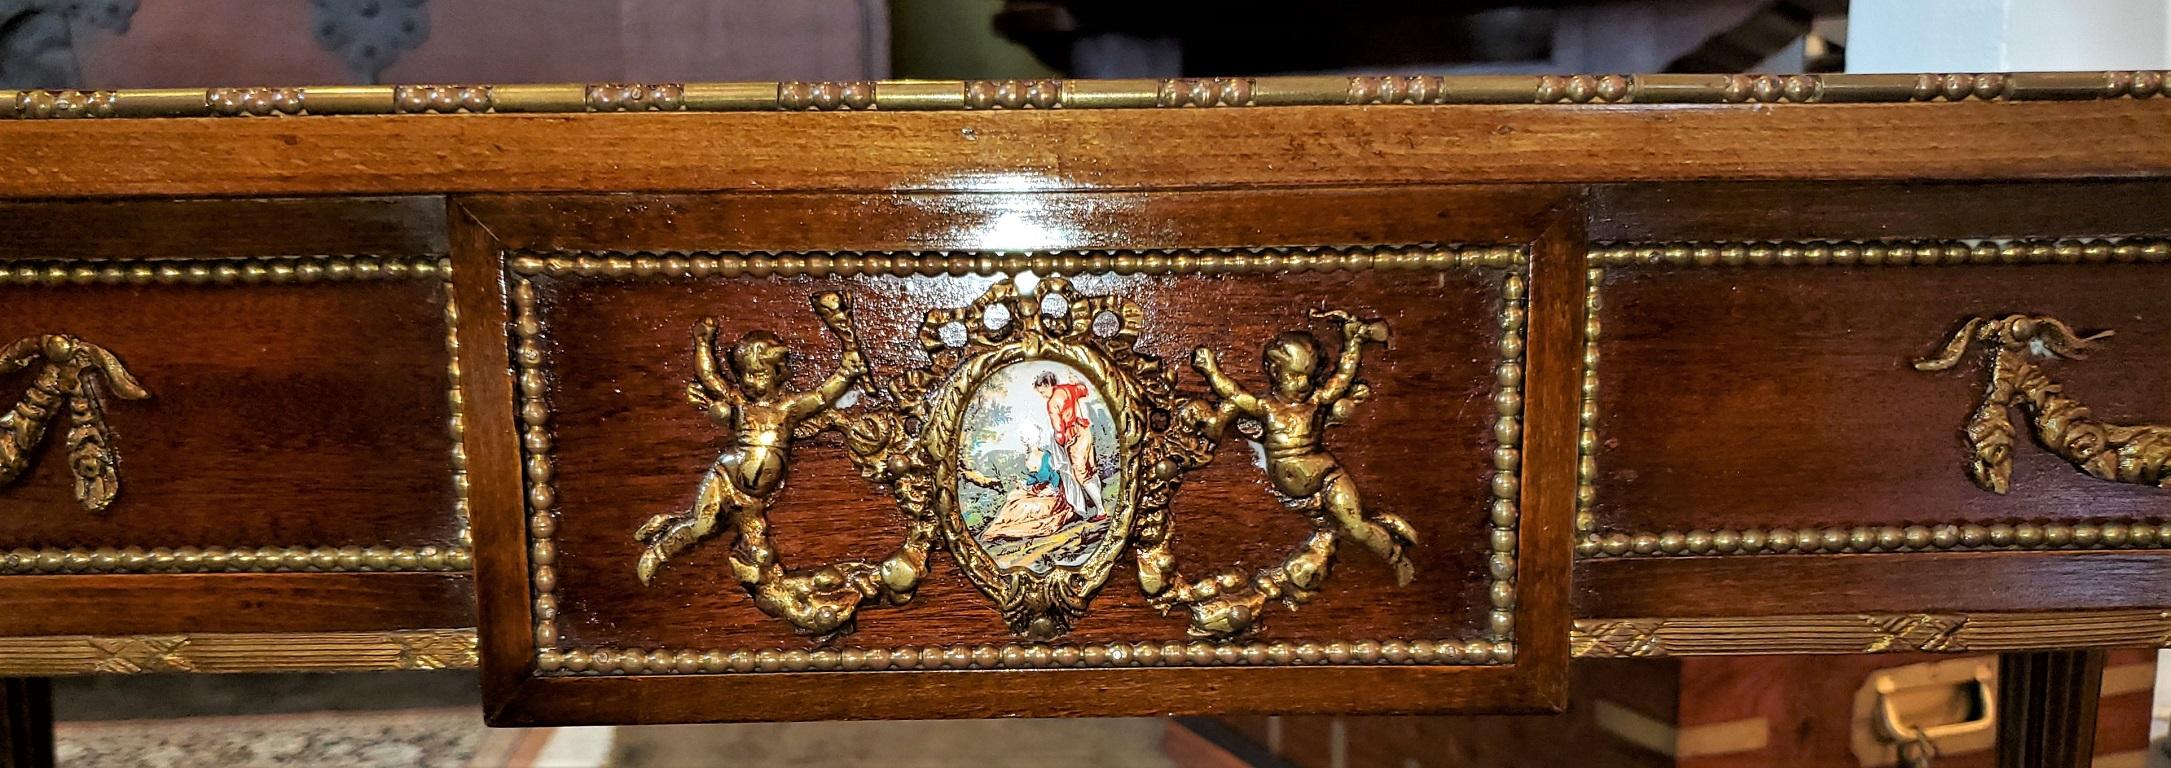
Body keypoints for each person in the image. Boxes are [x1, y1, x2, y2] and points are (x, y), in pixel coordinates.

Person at [1032, 370, 1104, 519]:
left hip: (1073, 438)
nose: (1042, 395)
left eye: (1042, 391)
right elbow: (1084, 390)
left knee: (1081, 474)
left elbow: (1059, 432)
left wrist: (1058, 444)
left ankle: (1101, 510)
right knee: (1091, 468)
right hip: (1085, 431)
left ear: (1048, 384)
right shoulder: (1068, 388)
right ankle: (1101, 506)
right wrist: (1076, 382)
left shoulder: (1052, 403)